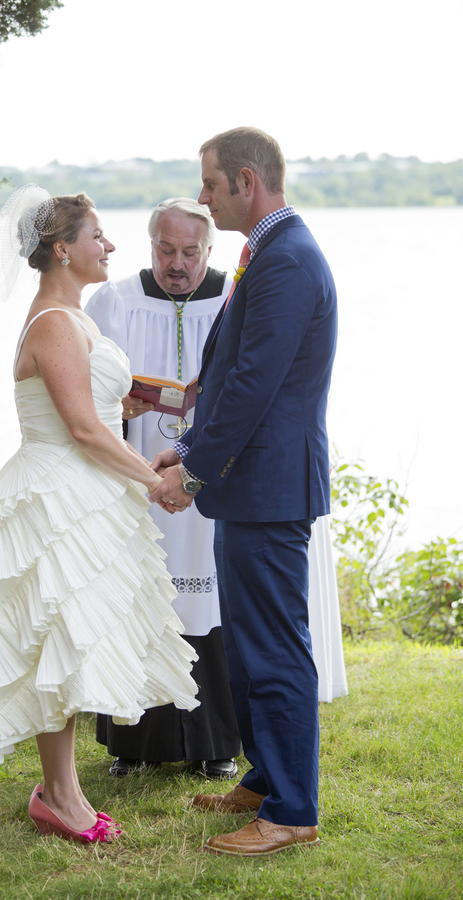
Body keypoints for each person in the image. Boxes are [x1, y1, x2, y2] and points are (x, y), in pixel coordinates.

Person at [0, 185, 200, 845]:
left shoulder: (73, 318)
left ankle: (61, 791)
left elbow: (93, 410)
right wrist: (156, 481)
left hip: (87, 493)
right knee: (58, 641)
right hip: (57, 493)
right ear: (61, 249)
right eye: (97, 236)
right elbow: (79, 428)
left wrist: (129, 410)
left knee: (71, 643)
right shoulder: (51, 322)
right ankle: (58, 796)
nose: (108, 246)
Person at [149, 127, 338, 856]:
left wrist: (192, 472)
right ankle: (265, 781)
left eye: (210, 184)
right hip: (251, 484)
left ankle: (291, 811)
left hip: (269, 486)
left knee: (276, 650)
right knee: (251, 648)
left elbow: (257, 386)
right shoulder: (267, 252)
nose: (202, 196)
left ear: (247, 182)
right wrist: (190, 445)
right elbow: (230, 367)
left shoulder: (287, 260)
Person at [85, 198, 241, 779]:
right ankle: (133, 745)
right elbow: (83, 389)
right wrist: (119, 407)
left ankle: (217, 743)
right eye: (165, 250)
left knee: (211, 600)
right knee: (136, 598)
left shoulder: (234, 299)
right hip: (135, 479)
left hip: (209, 484)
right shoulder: (114, 301)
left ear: (209, 249)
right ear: (151, 244)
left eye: (190, 252)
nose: (177, 263)